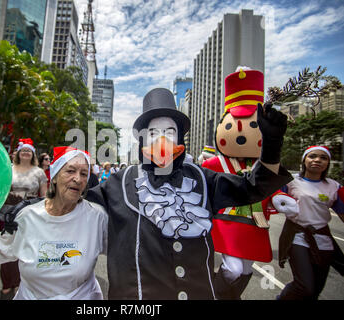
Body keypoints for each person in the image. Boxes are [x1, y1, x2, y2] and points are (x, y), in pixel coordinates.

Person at [86, 87, 292, 299]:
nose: (161, 141)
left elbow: (254, 188)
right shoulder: (119, 182)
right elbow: (77, 210)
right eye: (153, 133)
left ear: (180, 140)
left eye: (170, 133)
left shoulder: (202, 178)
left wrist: (272, 144)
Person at [0, 147, 108, 300]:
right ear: (54, 176)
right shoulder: (27, 215)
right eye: (70, 171)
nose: (78, 179)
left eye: (84, 174)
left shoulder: (97, 217)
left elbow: (123, 253)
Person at [202, 67, 298, 299]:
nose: (243, 134)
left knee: (245, 269)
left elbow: (267, 185)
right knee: (233, 268)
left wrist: (278, 198)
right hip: (226, 223)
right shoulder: (214, 164)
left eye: (253, 126)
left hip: (254, 224)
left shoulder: (262, 165)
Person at [277, 145, 344, 300]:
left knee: (314, 291)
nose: (317, 160)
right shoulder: (290, 181)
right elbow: (272, 201)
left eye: (323, 158)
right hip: (297, 236)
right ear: (304, 160)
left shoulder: (334, 187)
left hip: (323, 240)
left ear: (328, 163)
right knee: (304, 286)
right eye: (312, 156)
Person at [0, 138, 47, 299]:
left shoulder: (39, 172)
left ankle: (20, 281)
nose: (26, 152)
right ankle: (6, 283)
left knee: (24, 251)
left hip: (29, 217)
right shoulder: (7, 169)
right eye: (23, 150)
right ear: (18, 153)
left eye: (29, 151)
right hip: (5, 216)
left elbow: (44, 196)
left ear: (33, 154)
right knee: (5, 249)